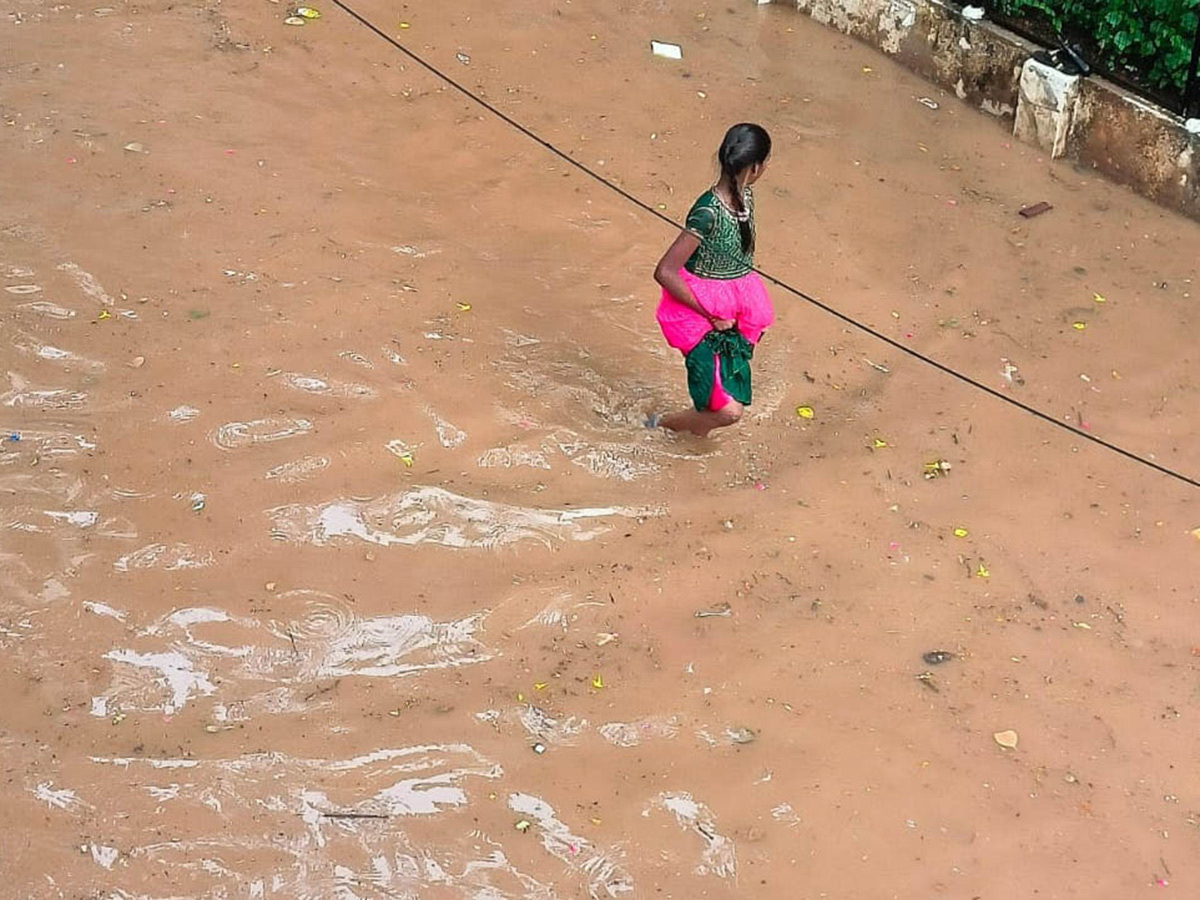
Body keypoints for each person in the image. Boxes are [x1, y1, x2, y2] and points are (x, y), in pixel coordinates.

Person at [651, 123, 774, 437]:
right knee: (728, 411)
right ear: (757, 167)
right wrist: (712, 315)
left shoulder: (747, 197)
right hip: (700, 311)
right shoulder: (707, 213)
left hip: (737, 306)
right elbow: (665, 271)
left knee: (721, 397)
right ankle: (659, 426)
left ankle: (693, 435)